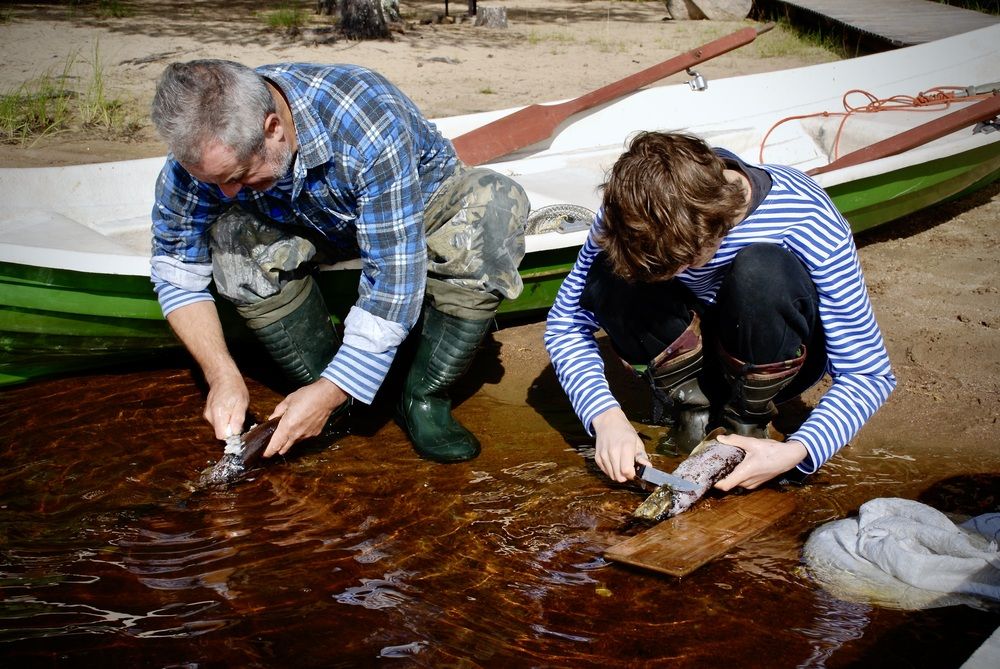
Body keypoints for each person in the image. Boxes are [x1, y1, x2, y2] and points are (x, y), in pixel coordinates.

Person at [149, 59, 528, 463]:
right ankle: (334, 395)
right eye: (214, 182)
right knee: (228, 233)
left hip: (415, 213)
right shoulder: (203, 148)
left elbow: (393, 282)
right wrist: (221, 375)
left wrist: (334, 389)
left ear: (273, 128)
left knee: (494, 206)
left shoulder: (367, 121)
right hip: (304, 224)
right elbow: (177, 272)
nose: (225, 193)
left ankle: (422, 397)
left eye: (239, 177)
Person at [544, 131, 896, 489]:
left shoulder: (806, 216)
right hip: (687, 349)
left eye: (686, 263)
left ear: (720, 226)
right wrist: (604, 417)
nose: (683, 275)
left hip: (767, 347)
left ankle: (747, 419)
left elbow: (868, 373)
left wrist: (798, 451)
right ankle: (690, 411)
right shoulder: (633, 209)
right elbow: (566, 324)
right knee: (609, 271)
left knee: (762, 271)